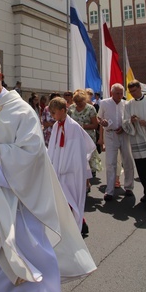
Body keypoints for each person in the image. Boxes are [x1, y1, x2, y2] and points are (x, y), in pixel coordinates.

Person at [0, 53, 96, 292]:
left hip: (18, 202)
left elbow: (32, 154)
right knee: (0, 262)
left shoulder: (20, 110)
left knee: (30, 258)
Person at [47, 97, 95, 232]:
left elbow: (77, 152)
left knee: (72, 198)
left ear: (63, 111)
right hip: (58, 170)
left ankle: (80, 224)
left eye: (54, 113)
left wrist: (68, 166)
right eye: (51, 113)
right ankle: (68, 226)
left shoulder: (73, 127)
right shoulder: (56, 126)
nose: (52, 116)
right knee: (62, 199)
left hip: (72, 171)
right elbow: (53, 148)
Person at [122, 80, 146, 206]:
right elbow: (124, 122)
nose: (133, 93)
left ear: (140, 89)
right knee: (142, 170)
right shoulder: (128, 105)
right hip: (137, 142)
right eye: (131, 92)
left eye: (135, 91)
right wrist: (130, 121)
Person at [97, 84, 135, 202]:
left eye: (121, 93)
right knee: (110, 162)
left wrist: (124, 127)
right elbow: (98, 118)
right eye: (117, 93)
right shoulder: (104, 103)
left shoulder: (126, 104)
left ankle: (129, 186)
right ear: (112, 93)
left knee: (127, 160)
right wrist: (102, 122)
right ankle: (109, 190)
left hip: (124, 134)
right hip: (110, 134)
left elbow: (130, 119)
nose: (120, 96)